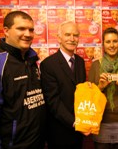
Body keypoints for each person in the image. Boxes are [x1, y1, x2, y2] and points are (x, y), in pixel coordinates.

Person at [0, 11, 46, 149]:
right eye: (21, 29)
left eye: (31, 30)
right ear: (6, 31)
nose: (28, 34)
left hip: (38, 142)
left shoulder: (32, 59)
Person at [40, 21, 87, 149]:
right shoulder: (48, 64)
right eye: (67, 35)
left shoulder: (80, 62)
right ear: (59, 38)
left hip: (79, 131)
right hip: (59, 132)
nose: (72, 39)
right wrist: (75, 123)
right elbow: (53, 102)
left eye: (75, 35)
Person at [88, 27, 118, 149]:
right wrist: (100, 87)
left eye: (115, 41)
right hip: (101, 120)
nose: (112, 45)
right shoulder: (96, 65)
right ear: (103, 44)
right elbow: (89, 95)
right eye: (108, 42)